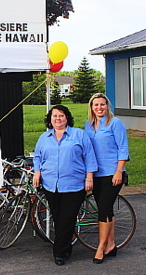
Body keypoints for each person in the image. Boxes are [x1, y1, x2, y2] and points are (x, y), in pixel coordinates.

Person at [33, 105, 97, 266]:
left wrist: (89, 178)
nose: (58, 119)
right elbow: (38, 157)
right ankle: (66, 248)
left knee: (67, 219)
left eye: (61, 116)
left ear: (67, 118)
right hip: (50, 185)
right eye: (54, 116)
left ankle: (59, 253)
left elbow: (89, 156)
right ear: (50, 119)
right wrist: (37, 172)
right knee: (58, 217)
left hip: (74, 185)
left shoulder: (79, 135)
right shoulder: (44, 137)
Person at [84, 93, 130, 264]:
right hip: (96, 173)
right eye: (96, 105)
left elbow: (123, 148)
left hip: (112, 173)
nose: (99, 108)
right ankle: (111, 244)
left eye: (102, 104)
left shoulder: (115, 123)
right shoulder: (88, 125)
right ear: (91, 107)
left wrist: (119, 171)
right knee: (106, 209)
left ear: (107, 106)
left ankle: (101, 247)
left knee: (103, 209)